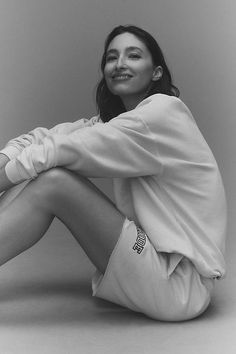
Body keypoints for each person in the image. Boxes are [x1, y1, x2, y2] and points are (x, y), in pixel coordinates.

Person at [0, 25, 227, 321]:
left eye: (133, 56)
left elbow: (58, 151)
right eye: (111, 57)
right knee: (35, 172)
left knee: (53, 182)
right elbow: (41, 139)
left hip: (178, 286)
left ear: (156, 72)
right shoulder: (118, 121)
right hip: (153, 266)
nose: (119, 64)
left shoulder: (163, 113)